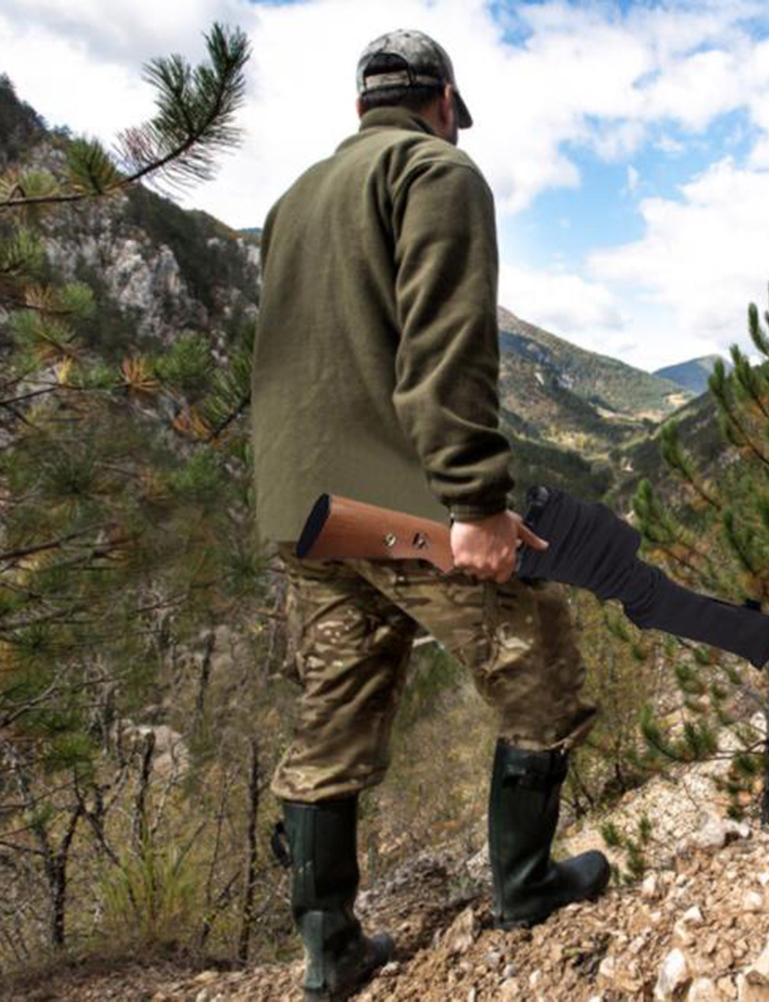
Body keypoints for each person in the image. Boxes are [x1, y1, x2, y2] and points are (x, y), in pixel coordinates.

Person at [250, 28, 610, 1001]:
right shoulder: (437, 172)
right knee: (539, 650)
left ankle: (331, 950)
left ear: (361, 107)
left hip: (299, 511)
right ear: (444, 101)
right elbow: (445, 350)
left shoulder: (293, 201)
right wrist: (477, 502)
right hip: (392, 503)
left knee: (335, 709)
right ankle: (526, 887)